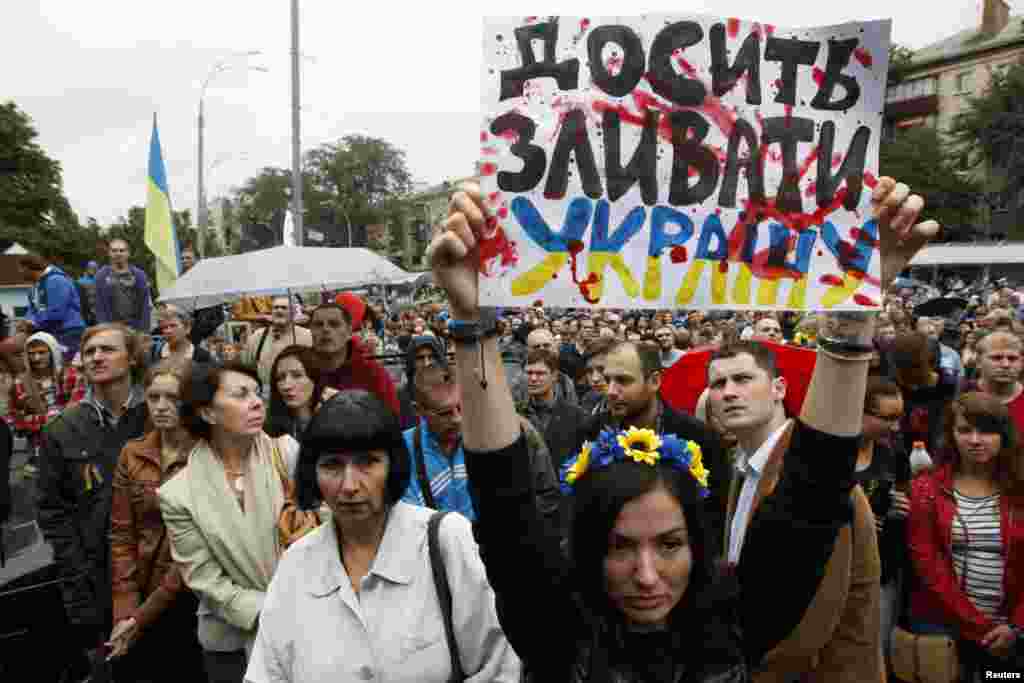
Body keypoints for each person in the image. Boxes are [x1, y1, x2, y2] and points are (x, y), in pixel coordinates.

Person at [427, 177, 936, 681]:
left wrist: (851, 314)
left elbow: (815, 490)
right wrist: (471, 321)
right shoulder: (558, 633)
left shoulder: (735, 626)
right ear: (585, 548)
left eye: (669, 545)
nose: (647, 577)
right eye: (620, 547)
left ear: (698, 544)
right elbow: (504, 501)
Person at [245, 390, 521, 682]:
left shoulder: (444, 541)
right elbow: (267, 672)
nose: (349, 485)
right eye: (332, 466)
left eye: (367, 462)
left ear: (393, 466)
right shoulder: (296, 565)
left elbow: (498, 667)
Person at [158, 362, 299, 683]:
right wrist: (267, 609)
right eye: (241, 394)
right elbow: (203, 578)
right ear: (208, 413)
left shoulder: (286, 455)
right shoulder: (178, 494)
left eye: (257, 392)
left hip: (306, 622)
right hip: (232, 644)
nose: (257, 401)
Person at [37, 323, 148, 679]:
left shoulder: (159, 417)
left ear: (131, 358)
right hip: (96, 580)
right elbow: (52, 512)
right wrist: (77, 576)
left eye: (107, 349)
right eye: (89, 352)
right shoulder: (62, 429)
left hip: (159, 571)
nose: (96, 357)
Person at [573, 339, 731, 557]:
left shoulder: (699, 438)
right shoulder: (589, 435)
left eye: (623, 380)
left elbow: (715, 518)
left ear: (654, 381)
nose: (610, 390)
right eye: (608, 379)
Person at [907, 392, 1024, 677]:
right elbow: (928, 565)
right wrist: (981, 627)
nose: (974, 440)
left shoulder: (1020, 490)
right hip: (944, 626)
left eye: (986, 430)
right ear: (951, 434)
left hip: (1011, 630)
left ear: (1004, 435)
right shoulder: (927, 489)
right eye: (964, 430)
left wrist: (1015, 627)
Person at [108, 360, 206, 682]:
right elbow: (122, 534)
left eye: (173, 398)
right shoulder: (133, 454)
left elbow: (193, 551)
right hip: (141, 587)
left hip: (191, 596)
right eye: (153, 397)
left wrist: (140, 617)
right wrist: (125, 608)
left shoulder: (207, 453)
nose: (161, 407)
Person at [401, 364, 560, 525]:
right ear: (418, 410)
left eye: (461, 408)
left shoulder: (504, 435)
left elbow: (544, 494)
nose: (457, 419)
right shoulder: (403, 451)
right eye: (444, 413)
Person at [309, 303, 399, 414]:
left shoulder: (373, 373)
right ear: (310, 331)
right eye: (318, 325)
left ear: (349, 331)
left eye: (334, 324)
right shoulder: (302, 371)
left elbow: (391, 419)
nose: (325, 329)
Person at [7, 331, 85, 454]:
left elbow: (80, 410)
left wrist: (44, 419)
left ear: (53, 352)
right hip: (39, 446)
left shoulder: (70, 376)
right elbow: (16, 420)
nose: (36, 358)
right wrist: (47, 418)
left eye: (42, 352)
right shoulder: (20, 383)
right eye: (31, 354)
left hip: (73, 442)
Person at [519, 348, 586, 469]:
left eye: (540, 373)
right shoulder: (516, 414)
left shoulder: (576, 416)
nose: (533, 378)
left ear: (554, 376)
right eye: (529, 373)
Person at [18, 253, 87, 362]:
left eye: (21, 268)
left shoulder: (57, 280)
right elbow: (32, 310)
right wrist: (27, 322)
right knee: (13, 349)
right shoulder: (34, 287)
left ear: (28, 268)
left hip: (68, 332)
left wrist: (34, 324)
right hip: (49, 332)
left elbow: (57, 313)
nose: (19, 272)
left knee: (62, 366)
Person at [264, 344, 338, 440]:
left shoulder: (337, 414)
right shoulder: (270, 425)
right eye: (280, 378)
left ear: (314, 378)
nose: (286, 386)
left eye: (297, 375)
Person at [242, 296, 312, 391]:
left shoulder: (308, 336)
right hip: (267, 395)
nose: (279, 311)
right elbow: (247, 368)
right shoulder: (257, 336)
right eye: (275, 307)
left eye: (284, 308)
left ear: (294, 312)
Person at [966, 330, 1024, 434]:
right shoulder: (961, 394)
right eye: (997, 358)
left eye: (1012, 358)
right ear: (979, 361)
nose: (1006, 364)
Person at [95, 238, 153, 332]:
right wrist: (103, 329)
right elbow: (99, 306)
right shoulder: (101, 275)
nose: (118, 253)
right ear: (109, 253)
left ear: (128, 253)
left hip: (135, 328)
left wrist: (144, 331)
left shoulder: (139, 275)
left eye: (122, 250)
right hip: (110, 328)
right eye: (114, 251)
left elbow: (144, 305)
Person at [398, 335, 448, 430]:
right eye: (420, 358)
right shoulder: (402, 395)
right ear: (412, 361)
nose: (427, 363)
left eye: (431, 357)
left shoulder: (451, 393)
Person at [77, 259, 99, 326]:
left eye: (94, 268)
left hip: (97, 313)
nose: (92, 269)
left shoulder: (100, 280)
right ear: (87, 268)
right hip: (85, 312)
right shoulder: (80, 282)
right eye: (90, 267)